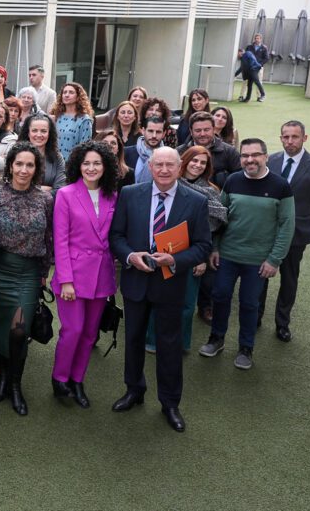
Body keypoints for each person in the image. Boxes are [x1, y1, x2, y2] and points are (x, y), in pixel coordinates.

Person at [109, 147, 212, 432]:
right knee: (133, 340)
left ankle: (169, 403)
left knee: (169, 345)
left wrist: (175, 260)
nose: (164, 170)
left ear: (180, 168)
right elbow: (116, 236)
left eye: (170, 165)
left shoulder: (197, 201)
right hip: (136, 282)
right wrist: (131, 257)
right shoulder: (130, 194)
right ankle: (134, 390)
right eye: (159, 165)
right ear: (150, 168)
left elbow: (204, 246)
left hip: (171, 284)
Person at [201, 139, 294, 370]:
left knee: (250, 304)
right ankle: (217, 338)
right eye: (245, 155)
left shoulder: (280, 186)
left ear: (266, 157)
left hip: (258, 261)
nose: (249, 160)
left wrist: (274, 260)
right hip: (228, 256)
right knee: (220, 296)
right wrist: (215, 248)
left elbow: (286, 225)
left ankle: (246, 348)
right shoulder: (233, 180)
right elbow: (220, 217)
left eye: (255, 155)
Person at [0, 143, 54, 416]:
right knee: (0, 327)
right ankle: (2, 378)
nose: (24, 170)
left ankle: (15, 384)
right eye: (19, 164)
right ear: (10, 165)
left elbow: (48, 239)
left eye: (30, 165)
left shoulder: (45, 199)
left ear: (36, 169)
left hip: (28, 272)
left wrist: (44, 274)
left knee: (19, 330)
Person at [50, 142, 119, 409]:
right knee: (73, 329)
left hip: (102, 275)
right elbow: (60, 240)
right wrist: (65, 279)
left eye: (97, 163)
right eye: (86, 163)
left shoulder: (112, 196)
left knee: (90, 333)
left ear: (106, 167)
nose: (91, 168)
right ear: (78, 165)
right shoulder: (66, 194)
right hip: (73, 275)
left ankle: (77, 380)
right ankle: (60, 378)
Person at [144, 145, 226, 354]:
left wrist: (201, 258)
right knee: (157, 299)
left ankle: (180, 343)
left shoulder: (210, 191)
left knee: (186, 303)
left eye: (203, 163)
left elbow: (212, 231)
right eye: (194, 160)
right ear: (184, 162)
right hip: (163, 250)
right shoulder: (167, 184)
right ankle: (152, 340)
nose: (197, 165)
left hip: (191, 255)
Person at [259, 121, 310, 342]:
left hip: (297, 234)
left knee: (289, 279)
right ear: (281, 138)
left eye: (295, 137)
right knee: (261, 275)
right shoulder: (271, 160)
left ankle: (282, 323)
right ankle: (255, 317)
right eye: (286, 137)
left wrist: (299, 220)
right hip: (267, 230)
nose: (290, 141)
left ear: (304, 138)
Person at [175, 111, 241, 187]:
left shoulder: (230, 152)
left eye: (206, 130)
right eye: (198, 130)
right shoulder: (180, 152)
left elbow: (239, 178)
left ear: (213, 129)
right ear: (191, 131)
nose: (202, 134)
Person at [17, 115, 66, 193]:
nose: (39, 135)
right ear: (28, 133)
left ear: (49, 134)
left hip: (49, 204)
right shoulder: (16, 155)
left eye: (43, 131)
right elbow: (14, 185)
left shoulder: (57, 157)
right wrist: (42, 189)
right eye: (34, 130)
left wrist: (32, 190)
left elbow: (60, 190)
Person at [52, 82, 94, 160]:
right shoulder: (56, 116)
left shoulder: (84, 120)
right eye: (64, 92)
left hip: (72, 163)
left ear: (78, 97)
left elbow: (85, 147)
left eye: (71, 92)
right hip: (54, 162)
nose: (67, 95)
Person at [133, 117, 167, 186]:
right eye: (150, 131)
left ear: (164, 134)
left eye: (158, 132)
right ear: (143, 131)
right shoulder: (127, 153)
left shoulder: (168, 155)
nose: (154, 136)